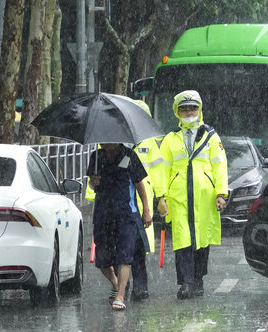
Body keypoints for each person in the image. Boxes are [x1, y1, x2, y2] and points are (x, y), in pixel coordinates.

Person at [156, 90, 228, 300]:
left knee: (202, 241)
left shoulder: (211, 136)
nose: (189, 112)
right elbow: (162, 169)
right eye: (184, 109)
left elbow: (220, 165)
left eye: (193, 108)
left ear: (200, 109)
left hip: (204, 198)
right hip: (178, 198)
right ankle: (186, 283)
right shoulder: (170, 139)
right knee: (183, 241)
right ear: (177, 112)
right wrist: (161, 197)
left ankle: (198, 279)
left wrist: (221, 193)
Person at [87, 142, 152, 310]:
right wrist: (93, 182)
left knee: (125, 256)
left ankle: (121, 296)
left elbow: (139, 184)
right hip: (103, 214)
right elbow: (92, 185)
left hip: (126, 214)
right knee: (102, 259)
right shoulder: (96, 157)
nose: (103, 143)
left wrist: (146, 210)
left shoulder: (130, 156)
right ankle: (116, 285)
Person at [129, 99, 165, 301]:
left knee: (138, 246)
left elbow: (158, 172)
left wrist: (161, 197)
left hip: (142, 201)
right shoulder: (113, 140)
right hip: (120, 200)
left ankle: (140, 287)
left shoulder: (150, 144)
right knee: (120, 245)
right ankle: (120, 286)